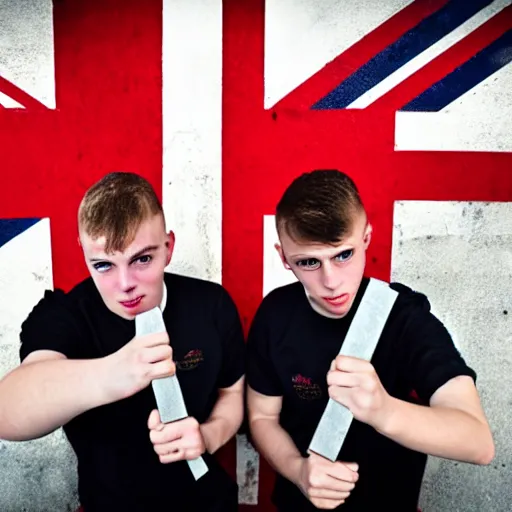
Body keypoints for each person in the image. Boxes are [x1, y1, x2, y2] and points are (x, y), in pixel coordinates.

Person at [246, 169, 494, 511]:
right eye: (308, 262)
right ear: (283, 256)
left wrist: (383, 409)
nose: (330, 281)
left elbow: (478, 442)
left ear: (366, 238)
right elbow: (262, 418)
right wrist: (298, 470)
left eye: (343, 255)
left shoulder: (404, 318)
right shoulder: (275, 314)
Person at [0, 172, 245, 512]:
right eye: (103, 265)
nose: (125, 284)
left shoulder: (211, 304)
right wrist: (113, 373)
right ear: (83, 254)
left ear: (168, 248)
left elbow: (232, 394)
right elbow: (7, 412)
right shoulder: (66, 314)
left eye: (142, 259)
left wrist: (210, 435)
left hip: (208, 502)